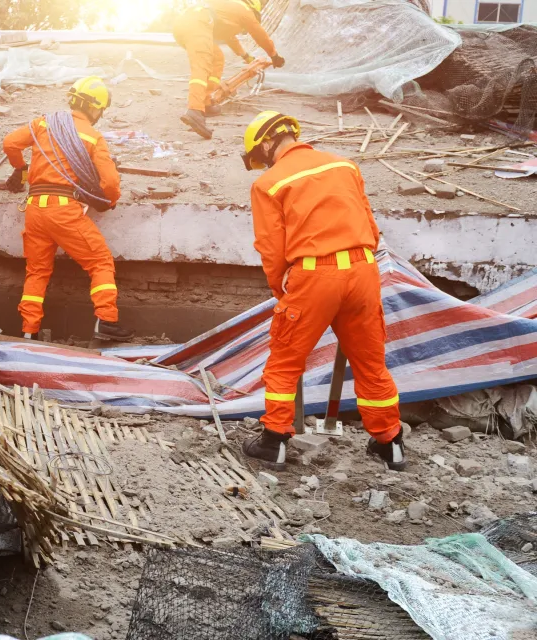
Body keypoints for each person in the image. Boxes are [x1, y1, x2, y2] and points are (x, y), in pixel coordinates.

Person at [239, 110, 405, 471]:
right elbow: (370, 226)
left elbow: (271, 246)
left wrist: (281, 290)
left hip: (314, 275)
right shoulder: (345, 166)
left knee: (284, 361)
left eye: (259, 155)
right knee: (371, 364)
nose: (260, 162)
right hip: (363, 269)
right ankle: (390, 443)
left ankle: (273, 442)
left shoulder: (268, 183)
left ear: (267, 142)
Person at [2, 76, 134, 342]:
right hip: (64, 210)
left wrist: (22, 169)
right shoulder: (93, 137)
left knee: (37, 272)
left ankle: (29, 331)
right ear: (95, 108)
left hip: (35, 209)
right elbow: (109, 182)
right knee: (100, 261)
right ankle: (106, 321)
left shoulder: (43, 122)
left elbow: (10, 143)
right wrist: (109, 201)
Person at [173, 0, 284, 140]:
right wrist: (274, 55)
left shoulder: (228, 10)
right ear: (253, 9)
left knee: (217, 57)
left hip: (189, 24)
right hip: (198, 24)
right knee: (202, 64)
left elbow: (230, 38)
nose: (243, 31)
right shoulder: (244, 10)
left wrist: (246, 57)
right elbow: (259, 33)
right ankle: (195, 109)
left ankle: (205, 102)